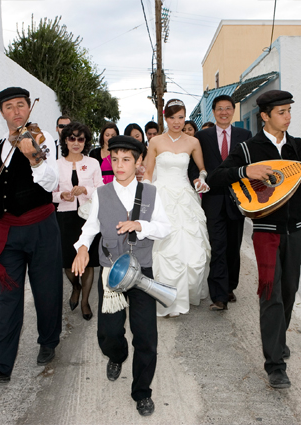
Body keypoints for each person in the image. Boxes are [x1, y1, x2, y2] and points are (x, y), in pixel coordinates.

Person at [207, 90, 301, 389]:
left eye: (289, 111)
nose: (288, 117)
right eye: (281, 112)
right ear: (265, 116)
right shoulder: (249, 149)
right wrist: (244, 171)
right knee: (270, 295)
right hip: (266, 234)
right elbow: (215, 179)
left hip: (297, 230)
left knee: (288, 292)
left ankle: (279, 337)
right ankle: (275, 364)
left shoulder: (298, 147)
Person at [72, 136, 171, 416]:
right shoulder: (101, 194)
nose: (119, 165)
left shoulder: (151, 193)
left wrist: (141, 224)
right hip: (111, 273)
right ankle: (117, 355)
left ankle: (141, 391)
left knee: (146, 336)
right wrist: (81, 248)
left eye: (126, 159)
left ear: (139, 162)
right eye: (115, 159)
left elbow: (165, 228)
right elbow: (89, 229)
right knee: (109, 332)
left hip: (142, 271)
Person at [0, 87, 62, 385]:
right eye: (9, 107)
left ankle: (48, 341)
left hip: (41, 228)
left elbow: (51, 183)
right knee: (7, 297)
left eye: (20, 105)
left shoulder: (42, 139)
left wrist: (35, 159)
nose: (16, 111)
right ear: (2, 113)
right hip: (8, 233)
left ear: (28, 108)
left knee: (46, 289)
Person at [143, 99, 211, 318]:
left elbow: (201, 169)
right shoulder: (155, 142)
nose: (177, 122)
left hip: (184, 195)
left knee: (193, 248)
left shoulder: (192, 142)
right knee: (163, 250)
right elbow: (147, 171)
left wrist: (201, 180)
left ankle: (185, 293)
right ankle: (164, 297)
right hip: (161, 195)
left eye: (181, 117)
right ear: (166, 118)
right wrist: (149, 193)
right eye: (172, 117)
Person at [189, 95, 252, 311]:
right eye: (219, 109)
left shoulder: (245, 135)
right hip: (213, 200)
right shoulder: (202, 136)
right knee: (217, 246)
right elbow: (194, 166)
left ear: (233, 111)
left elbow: (250, 166)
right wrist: (196, 180)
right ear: (213, 112)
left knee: (233, 247)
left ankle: (230, 286)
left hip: (237, 199)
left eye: (227, 108)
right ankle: (218, 295)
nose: (223, 112)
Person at [54, 122, 103, 321]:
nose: (76, 142)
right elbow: (49, 193)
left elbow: (101, 188)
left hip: (87, 216)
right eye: (72, 138)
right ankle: (76, 286)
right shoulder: (56, 165)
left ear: (86, 142)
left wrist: (85, 190)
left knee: (88, 260)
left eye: (80, 139)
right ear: (65, 140)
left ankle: (84, 301)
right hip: (65, 217)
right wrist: (61, 196)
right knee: (67, 260)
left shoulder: (93, 163)